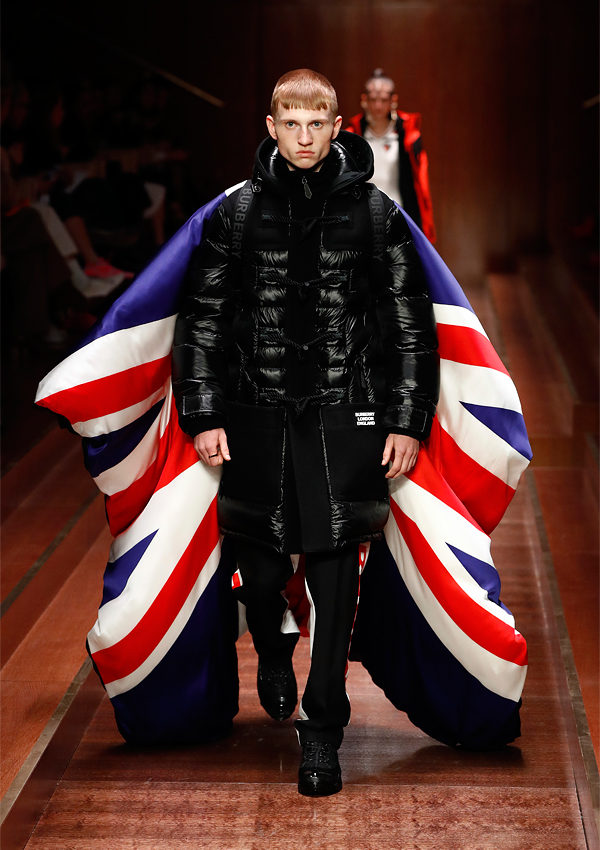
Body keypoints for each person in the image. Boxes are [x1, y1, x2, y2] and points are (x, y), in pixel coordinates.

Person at [172, 68, 439, 797]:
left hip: (344, 413)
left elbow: (409, 323)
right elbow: (202, 318)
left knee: (334, 570)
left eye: (316, 124)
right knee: (259, 568)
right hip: (255, 415)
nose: (304, 137)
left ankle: (323, 732)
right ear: (271, 127)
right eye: (290, 124)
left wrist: (406, 420)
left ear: (336, 127)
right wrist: (204, 412)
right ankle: (270, 643)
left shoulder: (375, 213)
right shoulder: (237, 213)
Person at [346, 69, 436, 243]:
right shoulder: (353, 135)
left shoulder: (408, 136)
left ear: (393, 100)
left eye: (383, 100)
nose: (378, 106)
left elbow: (421, 183)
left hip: (398, 213)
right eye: (373, 99)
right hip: (363, 217)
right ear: (364, 100)